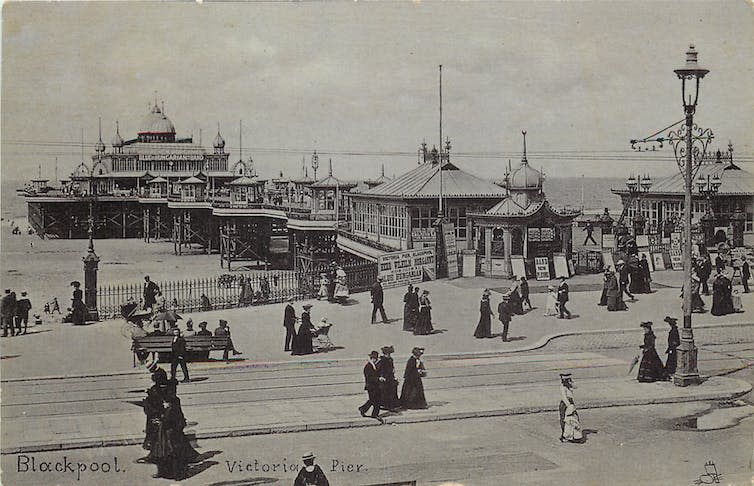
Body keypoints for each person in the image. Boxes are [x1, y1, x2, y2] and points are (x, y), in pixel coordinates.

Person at [358, 351, 384, 421]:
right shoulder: (368, 366)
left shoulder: (374, 366)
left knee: (376, 400)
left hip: (376, 386)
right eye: (375, 359)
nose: (376, 360)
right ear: (372, 359)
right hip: (371, 386)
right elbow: (369, 378)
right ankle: (364, 409)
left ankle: (372, 413)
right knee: (373, 400)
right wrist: (378, 378)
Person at [558, 374, 582, 443]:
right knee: (565, 420)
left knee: (574, 419)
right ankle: (565, 436)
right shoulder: (562, 387)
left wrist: (572, 383)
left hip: (571, 403)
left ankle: (574, 436)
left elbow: (576, 387)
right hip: (565, 404)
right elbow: (564, 397)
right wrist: (569, 406)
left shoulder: (569, 386)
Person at [377, 345, 400, 412]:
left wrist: (393, 372)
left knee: (392, 391)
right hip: (386, 378)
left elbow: (392, 367)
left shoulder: (390, 359)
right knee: (387, 392)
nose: (389, 355)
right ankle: (387, 405)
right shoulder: (382, 360)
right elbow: (380, 370)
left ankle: (392, 405)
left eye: (389, 354)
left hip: (390, 377)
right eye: (388, 354)